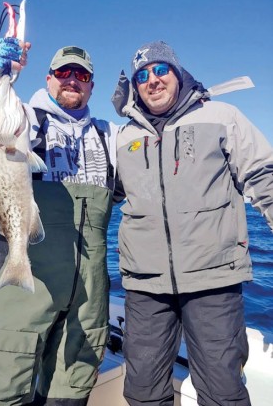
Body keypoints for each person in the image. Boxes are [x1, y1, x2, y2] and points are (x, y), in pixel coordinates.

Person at [0, 37, 119, 406]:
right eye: (63, 72)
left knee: (68, 396)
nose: (72, 79)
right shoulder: (21, 120)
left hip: (85, 301)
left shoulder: (110, 136)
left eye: (82, 74)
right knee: (4, 395)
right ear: (48, 78)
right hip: (22, 285)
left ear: (91, 84)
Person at [111, 40, 273, 406]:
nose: (153, 80)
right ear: (134, 86)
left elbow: (263, 174)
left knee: (222, 391)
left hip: (213, 276)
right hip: (145, 283)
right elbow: (109, 196)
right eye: (142, 75)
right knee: (141, 391)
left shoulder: (222, 116)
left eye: (160, 70)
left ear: (178, 73)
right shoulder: (125, 137)